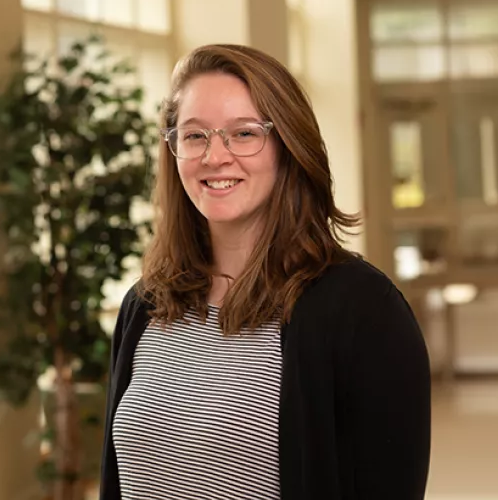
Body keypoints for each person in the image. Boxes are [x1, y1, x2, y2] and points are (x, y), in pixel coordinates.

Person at [99, 44, 431, 500]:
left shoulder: (364, 309)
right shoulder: (145, 305)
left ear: (287, 145)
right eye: (195, 136)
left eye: (243, 133)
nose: (215, 156)